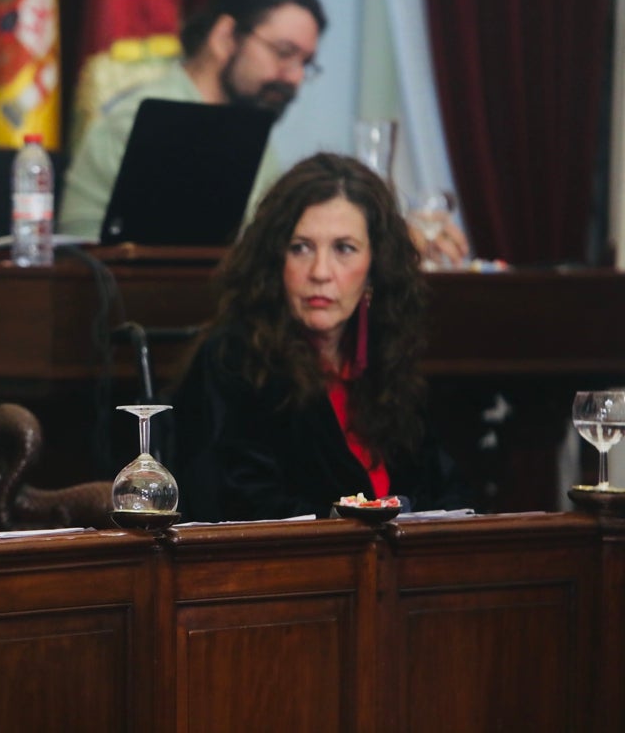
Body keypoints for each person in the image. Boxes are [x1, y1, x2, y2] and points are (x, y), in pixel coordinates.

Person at [57, 0, 470, 264]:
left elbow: (278, 232)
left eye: (305, 63)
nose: (293, 77)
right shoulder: (144, 119)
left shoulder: (245, 127)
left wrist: (391, 240)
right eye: (284, 53)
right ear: (224, 37)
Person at [169, 153, 469, 521]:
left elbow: (447, 490)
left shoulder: (384, 358)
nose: (320, 272)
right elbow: (234, 507)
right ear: (274, 260)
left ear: (375, 268)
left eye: (344, 249)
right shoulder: (232, 358)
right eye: (301, 248)